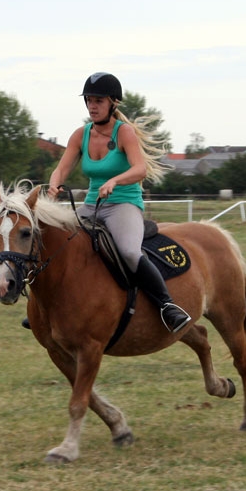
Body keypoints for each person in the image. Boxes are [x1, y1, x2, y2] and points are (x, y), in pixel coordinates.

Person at [45, 72, 192, 333]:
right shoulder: (81, 135)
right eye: (89, 100)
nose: (92, 105)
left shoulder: (125, 133)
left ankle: (167, 306)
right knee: (60, 242)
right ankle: (49, 308)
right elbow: (62, 168)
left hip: (124, 205)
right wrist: (54, 183)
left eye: (98, 100)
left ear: (113, 102)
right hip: (91, 205)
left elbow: (140, 170)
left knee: (128, 252)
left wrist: (115, 181)